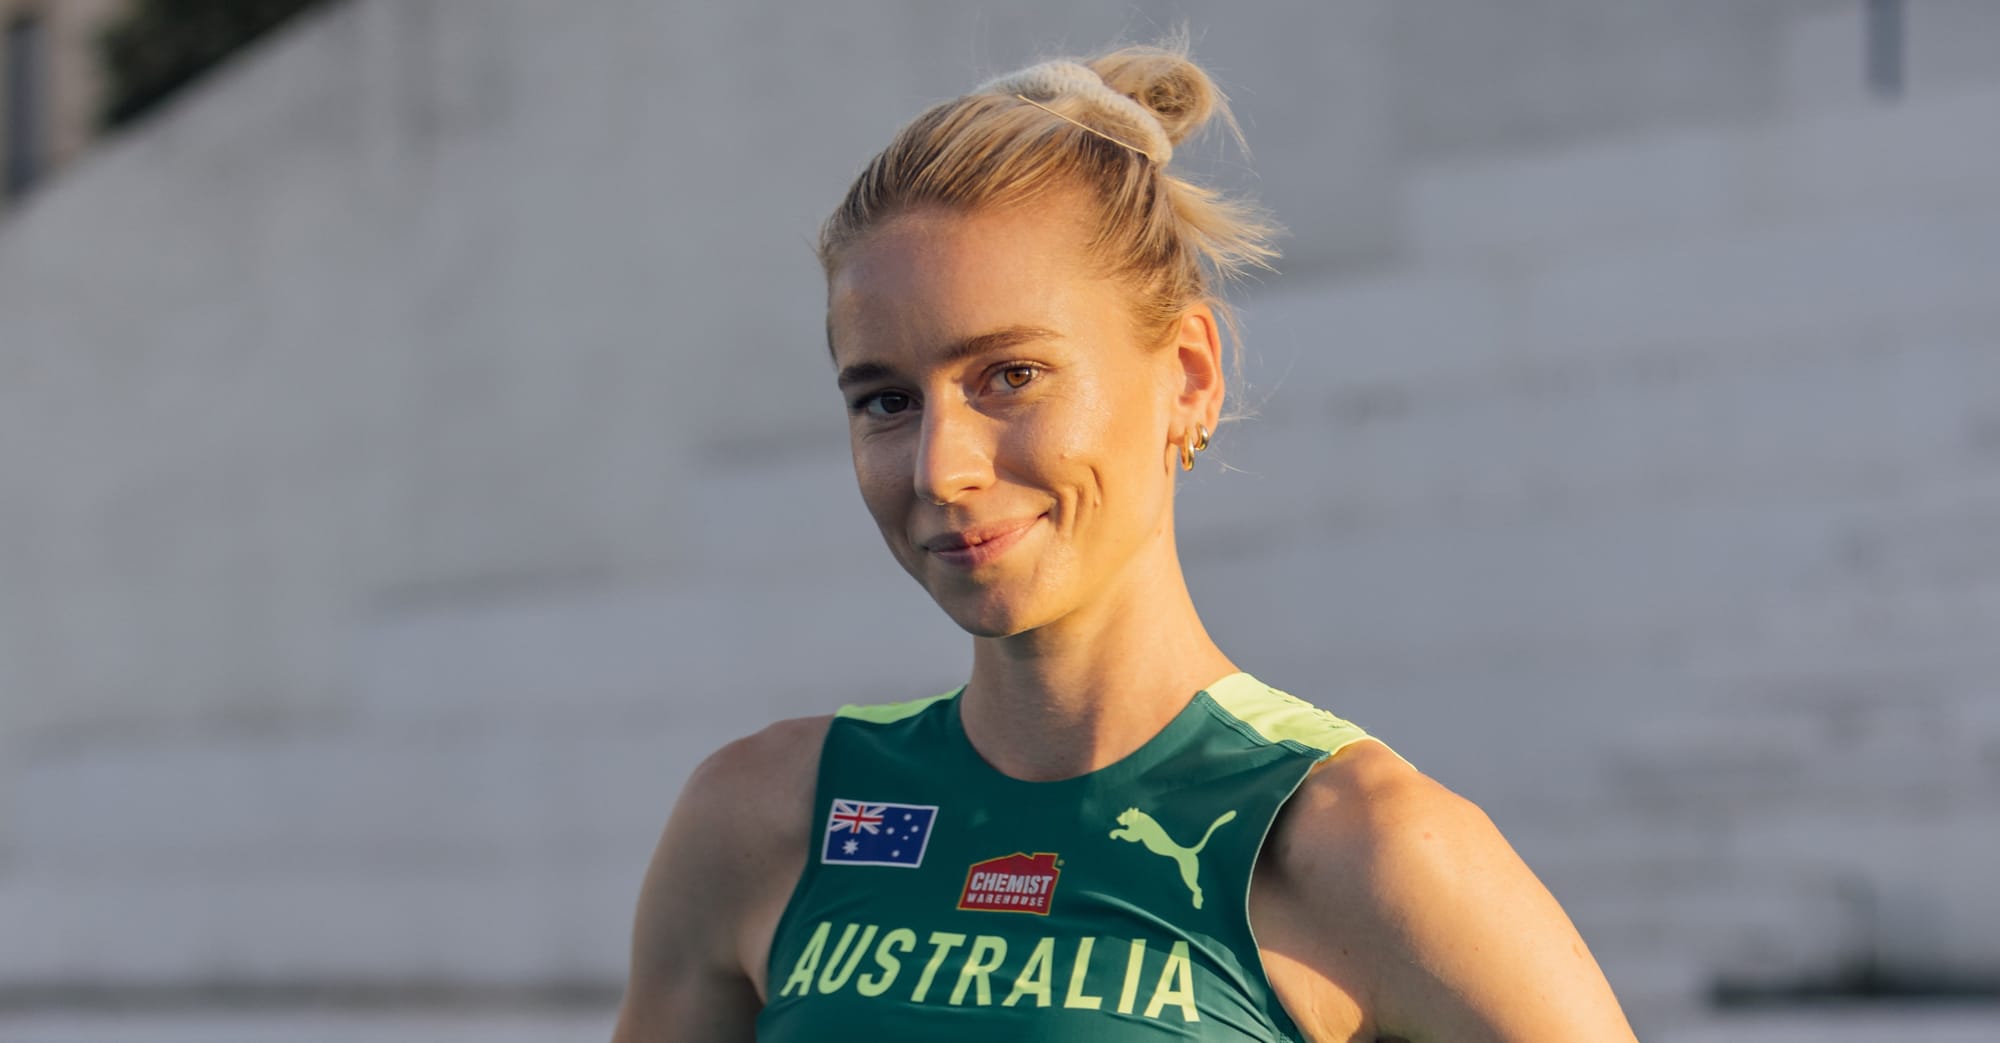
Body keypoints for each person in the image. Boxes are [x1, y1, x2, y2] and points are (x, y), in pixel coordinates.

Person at [612, 39, 1639, 1043]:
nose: (939, 466)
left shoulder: (1361, 847)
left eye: (1009, 376)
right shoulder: (763, 819)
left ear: (1188, 373)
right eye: (884, 400)